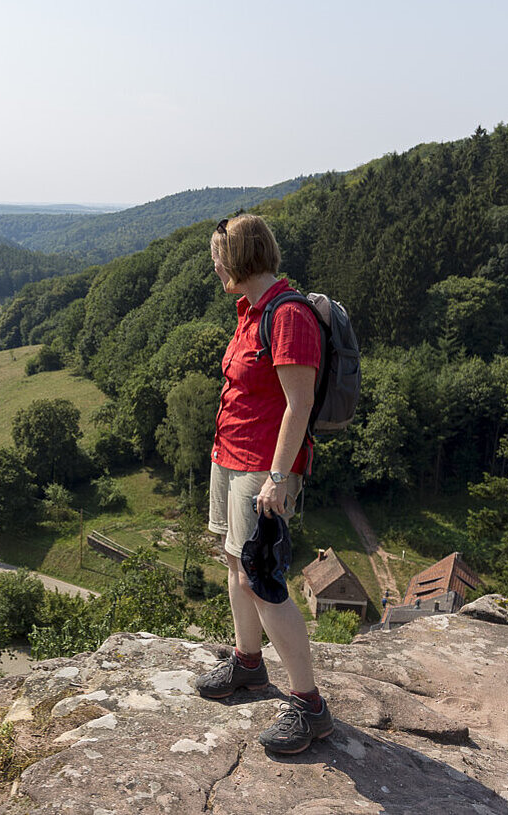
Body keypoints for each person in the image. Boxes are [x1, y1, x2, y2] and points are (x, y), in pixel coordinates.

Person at [196, 213, 333, 754]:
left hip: (262, 468)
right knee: (236, 565)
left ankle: (310, 706)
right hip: (229, 458)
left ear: (239, 257)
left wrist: (279, 476)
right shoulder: (249, 311)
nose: (214, 267)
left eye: (218, 258)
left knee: (265, 581)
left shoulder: (288, 313)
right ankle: (248, 665)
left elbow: (299, 405)